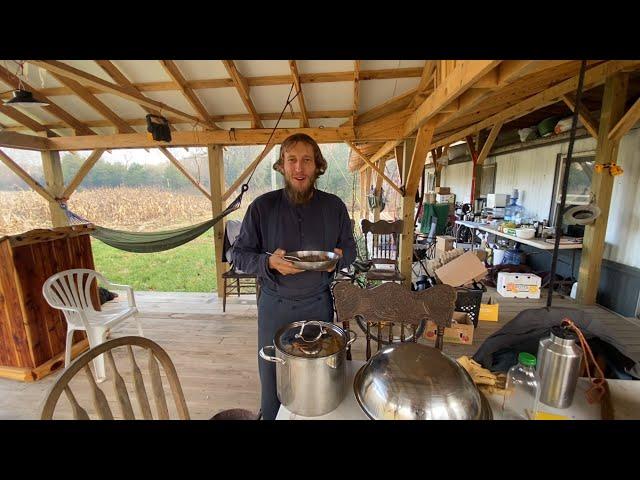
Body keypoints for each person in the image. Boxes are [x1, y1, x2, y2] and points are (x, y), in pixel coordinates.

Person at [232, 133, 357, 420]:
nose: (299, 168)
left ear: (318, 166)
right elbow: (239, 256)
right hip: (274, 306)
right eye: (292, 160)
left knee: (317, 378)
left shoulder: (334, 206)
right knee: (272, 373)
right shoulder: (262, 207)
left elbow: (350, 250)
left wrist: (337, 260)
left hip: (318, 304)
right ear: (282, 166)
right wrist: (268, 262)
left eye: (306, 160)